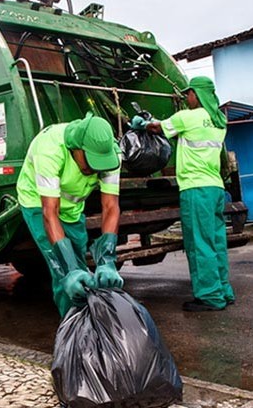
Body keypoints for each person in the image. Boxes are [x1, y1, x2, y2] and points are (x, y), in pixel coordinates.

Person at [130, 76, 235, 312]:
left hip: (196, 189)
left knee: (199, 244)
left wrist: (141, 124)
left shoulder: (188, 117)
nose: (185, 97)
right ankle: (224, 291)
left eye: (188, 93)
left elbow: (158, 127)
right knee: (216, 242)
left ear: (196, 95)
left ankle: (209, 296)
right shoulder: (219, 120)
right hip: (215, 187)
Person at [16, 112, 123, 317]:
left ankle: (87, 320)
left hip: (73, 208)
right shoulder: (49, 150)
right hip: (39, 204)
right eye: (90, 161)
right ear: (76, 148)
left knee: (80, 266)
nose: (94, 169)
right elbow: (50, 213)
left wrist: (107, 259)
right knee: (65, 272)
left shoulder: (112, 155)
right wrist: (69, 267)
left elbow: (110, 206)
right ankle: (75, 330)